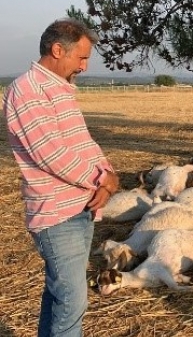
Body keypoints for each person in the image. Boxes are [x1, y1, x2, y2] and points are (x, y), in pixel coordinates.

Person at [3, 18, 120, 336]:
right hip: (56, 216)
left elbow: (83, 142)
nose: (84, 65)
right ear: (57, 49)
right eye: (81, 57)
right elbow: (52, 155)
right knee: (72, 300)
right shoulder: (27, 91)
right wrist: (101, 179)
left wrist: (108, 172)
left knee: (58, 296)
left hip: (80, 208)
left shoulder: (61, 88)